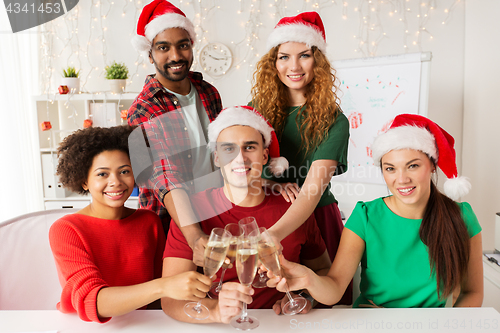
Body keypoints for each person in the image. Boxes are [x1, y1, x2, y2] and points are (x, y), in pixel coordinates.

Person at [266, 114, 484, 308]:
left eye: (413, 166)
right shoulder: (365, 216)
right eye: (390, 169)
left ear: (432, 165)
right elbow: (335, 289)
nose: (402, 179)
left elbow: (472, 292)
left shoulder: (461, 216)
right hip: (372, 323)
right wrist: (308, 278)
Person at [161, 106, 331, 323]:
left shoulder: (294, 210)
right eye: (228, 149)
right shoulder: (192, 211)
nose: (240, 158)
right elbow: (170, 298)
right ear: (216, 158)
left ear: (265, 154)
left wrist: (307, 297)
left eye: (249, 147)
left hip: (285, 324)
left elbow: (323, 270)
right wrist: (215, 311)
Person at [49, 126, 212, 323]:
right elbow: (92, 300)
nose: (115, 182)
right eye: (102, 174)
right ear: (84, 181)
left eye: (124, 171)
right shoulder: (66, 229)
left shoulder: (148, 222)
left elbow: (156, 301)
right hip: (84, 326)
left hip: (140, 323)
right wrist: (164, 286)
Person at [249, 11, 351, 304]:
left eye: (304, 55)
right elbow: (239, 170)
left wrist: (271, 237)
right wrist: (272, 185)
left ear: (317, 61)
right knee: (268, 306)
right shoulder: (254, 111)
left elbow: (312, 191)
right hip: (264, 214)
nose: (293, 66)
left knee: (323, 304)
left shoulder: (335, 121)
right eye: (283, 57)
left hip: (315, 216)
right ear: (273, 62)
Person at [128, 0, 223, 258]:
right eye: (163, 48)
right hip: (173, 223)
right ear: (150, 54)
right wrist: (194, 236)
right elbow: (162, 174)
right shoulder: (141, 109)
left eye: (183, 45)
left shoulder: (209, 92)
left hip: (216, 212)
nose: (176, 56)